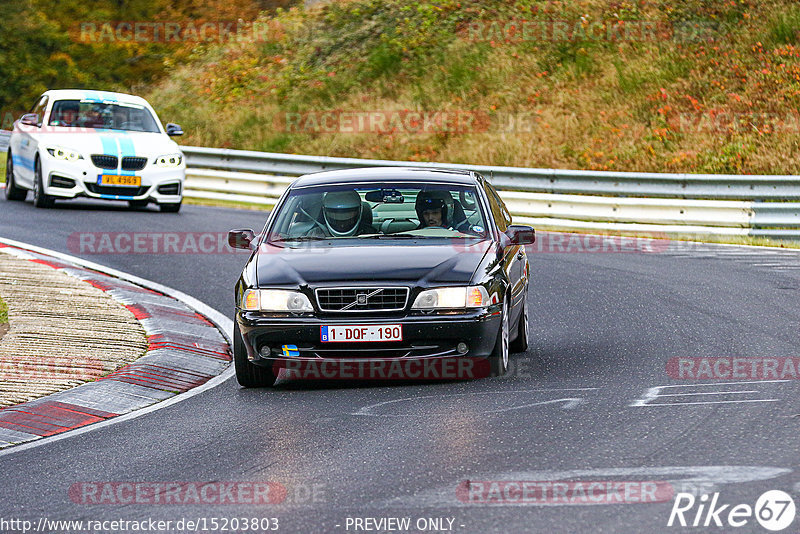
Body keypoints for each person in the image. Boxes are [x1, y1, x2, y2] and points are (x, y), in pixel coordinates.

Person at [309, 190, 375, 237]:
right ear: (324, 212)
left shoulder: (371, 234)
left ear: (360, 211)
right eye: (335, 215)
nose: (342, 225)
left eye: (348, 215)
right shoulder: (315, 234)